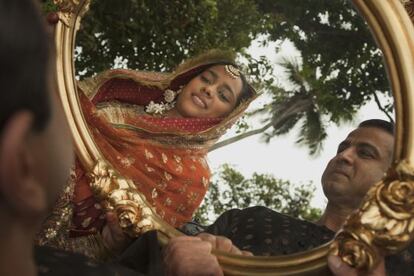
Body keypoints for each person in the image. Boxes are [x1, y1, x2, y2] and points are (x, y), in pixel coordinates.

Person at [37, 50, 258, 259]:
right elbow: (64, 104)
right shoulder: (125, 96)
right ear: (187, 79)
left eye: (223, 95)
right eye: (206, 79)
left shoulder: (193, 178)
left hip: (59, 238)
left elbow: (139, 242)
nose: (209, 90)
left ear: (225, 119)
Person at [164, 119, 412, 275]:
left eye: (366, 153)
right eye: (342, 148)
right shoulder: (250, 219)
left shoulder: (398, 260)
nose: (344, 156)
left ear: (392, 183)